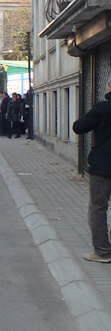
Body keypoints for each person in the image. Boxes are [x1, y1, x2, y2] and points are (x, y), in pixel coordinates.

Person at [72, 78, 111, 263]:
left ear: (109, 86)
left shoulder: (102, 108)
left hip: (103, 167)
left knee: (98, 208)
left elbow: (79, 127)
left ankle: (102, 252)